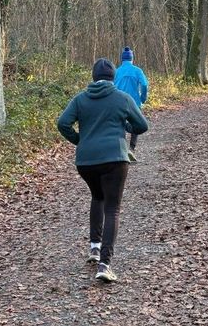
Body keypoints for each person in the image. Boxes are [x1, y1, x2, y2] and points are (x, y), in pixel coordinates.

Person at [57, 58, 148, 282]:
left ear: (93, 77)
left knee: (97, 197)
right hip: (115, 159)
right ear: (113, 78)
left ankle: (94, 248)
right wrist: (125, 126)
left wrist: (80, 140)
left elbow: (62, 123)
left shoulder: (80, 99)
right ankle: (104, 265)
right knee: (112, 208)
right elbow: (142, 126)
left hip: (86, 162)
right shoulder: (122, 99)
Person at [113, 46, 149, 161]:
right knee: (136, 124)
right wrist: (143, 98)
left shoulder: (116, 71)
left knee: (120, 124)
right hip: (134, 102)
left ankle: (121, 150)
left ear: (122, 59)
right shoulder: (137, 71)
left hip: (119, 102)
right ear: (132, 59)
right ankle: (131, 149)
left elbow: (111, 86)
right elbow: (144, 85)